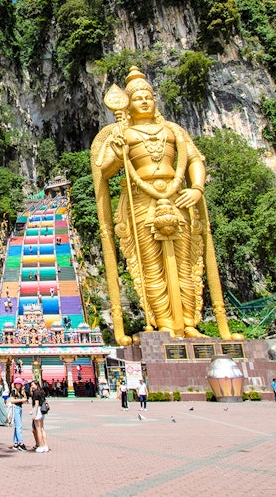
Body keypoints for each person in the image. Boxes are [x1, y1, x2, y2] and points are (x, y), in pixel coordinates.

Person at [91, 66, 236, 343]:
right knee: (150, 266)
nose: (144, 100)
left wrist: (196, 188)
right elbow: (104, 170)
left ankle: (190, 323)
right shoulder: (122, 134)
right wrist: (119, 153)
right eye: (138, 98)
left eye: (148, 96)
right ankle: (165, 324)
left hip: (177, 196)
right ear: (129, 105)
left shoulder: (174, 131)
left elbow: (194, 159)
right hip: (142, 201)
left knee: (186, 263)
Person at [8, 377, 28, 450]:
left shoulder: (20, 391)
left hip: (19, 408)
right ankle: (21, 443)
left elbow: (25, 399)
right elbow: (12, 400)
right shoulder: (13, 391)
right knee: (19, 426)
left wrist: (23, 395)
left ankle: (16, 443)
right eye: (17, 384)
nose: (18, 385)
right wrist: (21, 400)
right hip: (15, 408)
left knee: (17, 426)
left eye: (20, 384)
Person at [30, 380, 49, 453]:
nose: (32, 386)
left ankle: (40, 446)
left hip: (37, 410)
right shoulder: (41, 392)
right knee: (42, 429)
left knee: (38, 429)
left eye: (33, 385)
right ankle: (45, 445)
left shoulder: (36, 392)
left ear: (36, 385)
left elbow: (36, 403)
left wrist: (34, 413)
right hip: (42, 411)